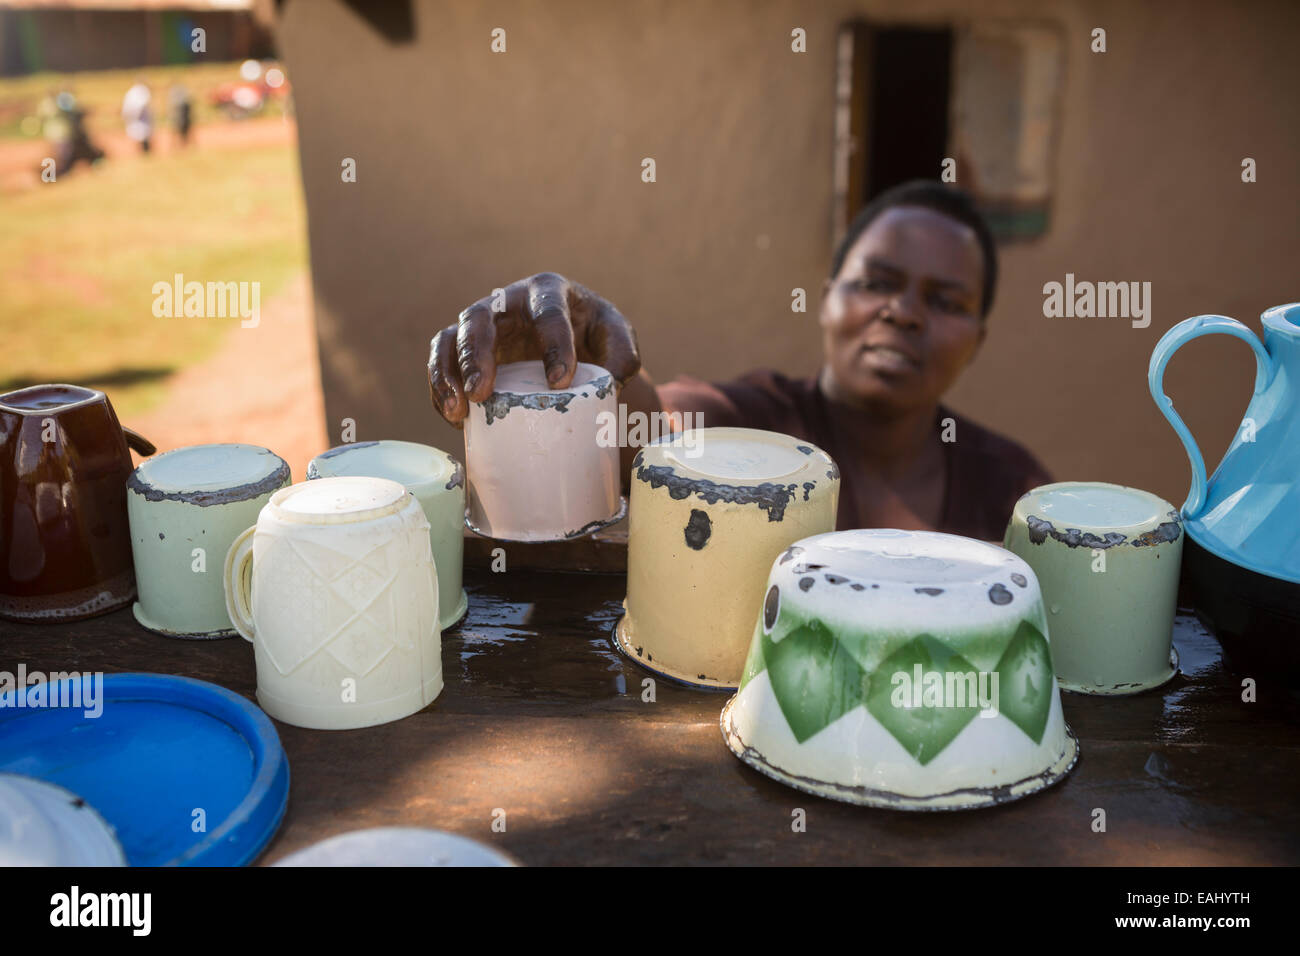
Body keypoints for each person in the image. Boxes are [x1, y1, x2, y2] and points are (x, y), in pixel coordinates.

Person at [429, 181, 1051, 540]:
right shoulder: (744, 422)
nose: (904, 312)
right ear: (828, 299)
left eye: (944, 301)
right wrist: (580, 357)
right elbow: (649, 438)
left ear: (977, 341)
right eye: (875, 282)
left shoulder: (1012, 491)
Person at [121, 80, 153, 154]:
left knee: (141, 136)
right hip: (139, 120)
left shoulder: (133, 92)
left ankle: (144, 151)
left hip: (138, 119)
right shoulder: (141, 92)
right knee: (140, 136)